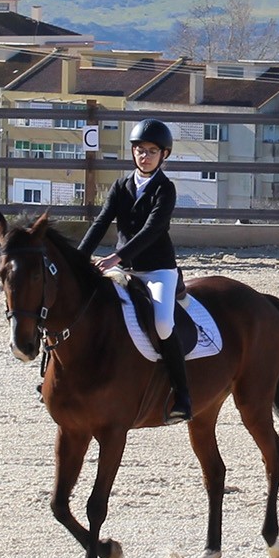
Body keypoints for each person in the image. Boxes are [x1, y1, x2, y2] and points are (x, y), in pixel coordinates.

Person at [79, 118, 191, 425]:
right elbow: (101, 222)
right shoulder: (121, 185)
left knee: (164, 324)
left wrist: (116, 257)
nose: (145, 156)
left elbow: (154, 229)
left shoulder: (165, 189)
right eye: (140, 150)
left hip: (157, 271)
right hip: (125, 271)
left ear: (163, 155)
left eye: (152, 151)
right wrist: (79, 258)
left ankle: (182, 395)